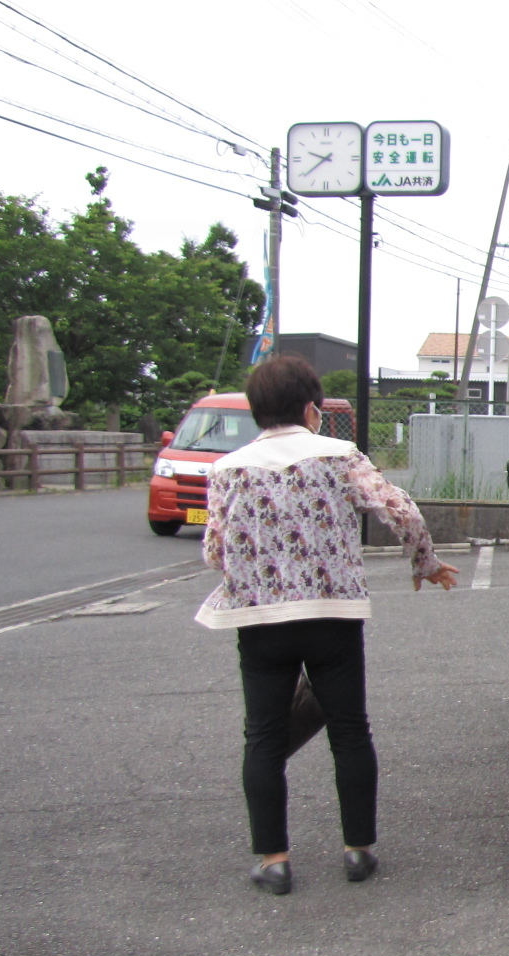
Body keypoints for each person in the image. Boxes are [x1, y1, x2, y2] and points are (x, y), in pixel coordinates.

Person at [196, 356, 458, 895]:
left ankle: (274, 860)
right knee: (349, 729)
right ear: (313, 409)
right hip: (333, 614)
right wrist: (424, 563)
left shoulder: (227, 469)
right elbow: (401, 510)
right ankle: (358, 850)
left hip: (261, 620)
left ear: (256, 411)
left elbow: (214, 551)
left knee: (263, 737)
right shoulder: (340, 456)